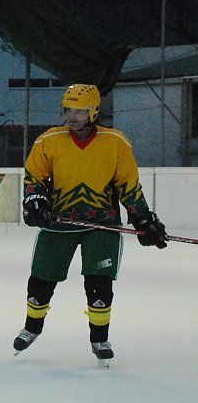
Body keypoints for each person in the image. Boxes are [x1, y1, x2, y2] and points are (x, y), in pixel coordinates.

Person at [13, 84, 168, 366]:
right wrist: (34, 199)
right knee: (42, 278)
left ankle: (99, 338)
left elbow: (128, 186)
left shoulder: (115, 142)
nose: (72, 116)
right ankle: (32, 327)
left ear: (94, 111)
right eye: (68, 110)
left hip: (102, 224)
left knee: (99, 282)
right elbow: (34, 177)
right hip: (59, 222)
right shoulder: (49, 141)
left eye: (80, 111)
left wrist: (143, 218)